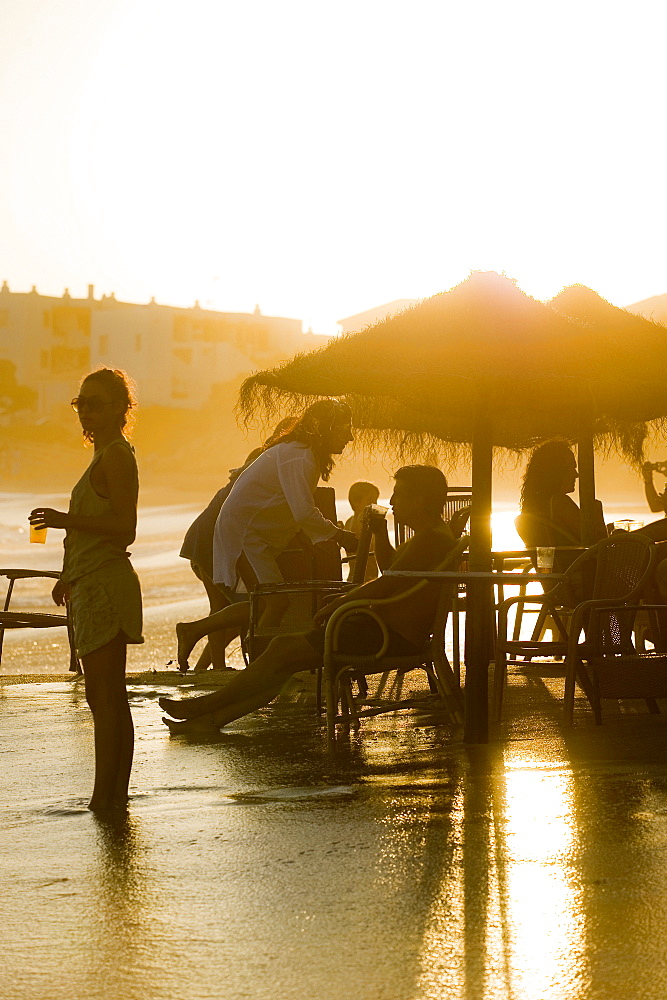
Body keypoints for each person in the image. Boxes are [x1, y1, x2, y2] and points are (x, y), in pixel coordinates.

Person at [158, 465, 457, 731]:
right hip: (381, 629)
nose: (391, 502)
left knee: (281, 650)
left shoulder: (430, 541)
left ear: (419, 500)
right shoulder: (430, 537)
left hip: (382, 635)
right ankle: (209, 720)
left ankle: (204, 707)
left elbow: (384, 585)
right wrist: (380, 534)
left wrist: (339, 604)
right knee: (282, 658)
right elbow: (392, 571)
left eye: (399, 494)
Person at [174, 398, 359, 672]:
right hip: (245, 535)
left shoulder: (302, 453)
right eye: (345, 428)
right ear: (324, 427)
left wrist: (314, 542)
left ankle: (250, 660)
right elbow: (303, 512)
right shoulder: (300, 454)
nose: (350, 437)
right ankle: (258, 666)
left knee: (268, 603)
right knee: (271, 603)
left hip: (254, 536)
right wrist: (341, 536)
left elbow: (291, 508)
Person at [29, 368, 142, 814]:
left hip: (108, 584)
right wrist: (66, 574)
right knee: (105, 696)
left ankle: (107, 797)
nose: (87, 411)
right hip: (91, 581)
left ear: (120, 407)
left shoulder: (116, 456)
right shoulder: (103, 456)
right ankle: (112, 795)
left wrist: (63, 519)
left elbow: (124, 528)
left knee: (106, 696)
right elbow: (91, 532)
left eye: (96, 402)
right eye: (81, 404)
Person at [178, 418, 294, 672]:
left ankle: (203, 669)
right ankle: (216, 667)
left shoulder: (271, 458)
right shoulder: (272, 459)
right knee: (231, 608)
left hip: (211, 534)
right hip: (210, 537)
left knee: (228, 609)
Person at [343, 480, 381, 581]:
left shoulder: (348, 521)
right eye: (370, 500)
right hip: (367, 578)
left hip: (352, 577)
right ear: (356, 502)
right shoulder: (364, 521)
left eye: (376, 501)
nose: (375, 504)